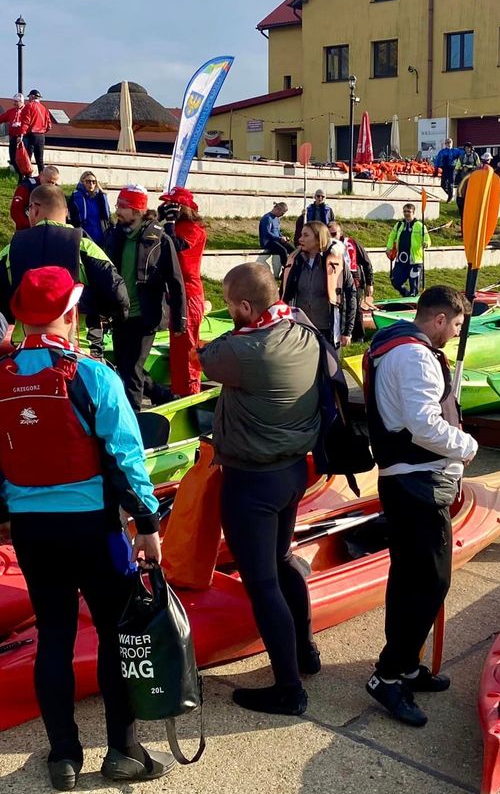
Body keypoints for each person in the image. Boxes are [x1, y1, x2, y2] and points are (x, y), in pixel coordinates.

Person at [0, 266, 172, 790]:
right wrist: (146, 522)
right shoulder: (93, 376)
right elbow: (127, 456)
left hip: (34, 533)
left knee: (53, 637)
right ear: (71, 314)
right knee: (116, 636)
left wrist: (3, 513)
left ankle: (63, 756)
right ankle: (124, 752)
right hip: (96, 529)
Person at [197, 262, 323, 716]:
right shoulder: (302, 331)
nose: (230, 312)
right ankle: (305, 651)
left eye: (232, 306)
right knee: (282, 559)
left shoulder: (245, 349)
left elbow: (205, 356)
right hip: (292, 474)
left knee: (263, 582)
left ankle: (288, 689)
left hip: (251, 482)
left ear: (245, 307)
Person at [362, 285, 477, 727]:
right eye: (457, 325)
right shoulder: (413, 355)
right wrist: (466, 445)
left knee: (411, 577)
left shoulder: (399, 346)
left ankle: (406, 662)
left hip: (410, 480)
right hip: (416, 484)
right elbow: (423, 423)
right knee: (429, 582)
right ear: (440, 319)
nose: (456, 334)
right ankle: (388, 676)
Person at [0, 185, 128, 354]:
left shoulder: (11, 250)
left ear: (34, 210)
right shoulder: (85, 246)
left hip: (28, 348)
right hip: (80, 346)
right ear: (67, 212)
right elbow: (118, 294)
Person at [104, 186, 187, 412]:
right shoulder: (115, 234)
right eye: (118, 205)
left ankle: (134, 419)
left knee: (132, 368)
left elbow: (176, 280)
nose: (117, 211)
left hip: (146, 316)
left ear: (138, 210)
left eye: (123, 207)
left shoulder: (159, 238)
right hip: (121, 314)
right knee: (126, 366)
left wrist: (180, 320)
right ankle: (162, 394)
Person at [161, 187, 208, 397]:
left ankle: (190, 392)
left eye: (174, 204)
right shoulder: (179, 226)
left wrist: (169, 225)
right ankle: (178, 390)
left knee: (187, 346)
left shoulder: (193, 228)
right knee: (178, 348)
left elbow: (176, 247)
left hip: (189, 294)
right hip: (177, 293)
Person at [281, 221, 356, 351]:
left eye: (305, 235)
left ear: (318, 238)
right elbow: (283, 293)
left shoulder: (336, 261)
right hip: (301, 329)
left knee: (329, 370)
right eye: (301, 235)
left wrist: (347, 331)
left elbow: (351, 295)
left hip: (328, 330)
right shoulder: (295, 261)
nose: (300, 239)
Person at [329, 219, 374, 342]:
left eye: (334, 234)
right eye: (329, 234)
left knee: (355, 307)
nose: (332, 237)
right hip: (335, 280)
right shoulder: (327, 246)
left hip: (355, 280)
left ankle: (358, 335)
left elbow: (366, 263)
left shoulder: (352, 243)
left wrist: (370, 283)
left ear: (340, 233)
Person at [386, 204, 431, 297]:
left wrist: (426, 243)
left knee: (414, 287)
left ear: (413, 212)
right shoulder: (399, 225)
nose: (406, 213)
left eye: (409, 211)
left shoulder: (420, 226)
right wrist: (389, 248)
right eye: (405, 211)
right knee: (395, 281)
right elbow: (391, 237)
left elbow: (427, 238)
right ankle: (406, 295)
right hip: (401, 260)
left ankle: (413, 299)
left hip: (415, 261)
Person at [11, 163, 62, 232]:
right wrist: (32, 227)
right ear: (41, 175)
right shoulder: (26, 187)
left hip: (49, 231)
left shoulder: (56, 191)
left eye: (53, 183)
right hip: (27, 230)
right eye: (48, 182)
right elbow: (16, 211)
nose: (50, 185)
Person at [67, 171, 112, 248]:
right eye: (88, 181)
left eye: (93, 182)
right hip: (84, 240)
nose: (91, 184)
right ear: (82, 182)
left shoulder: (100, 198)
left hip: (101, 241)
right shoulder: (75, 197)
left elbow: (108, 218)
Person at [0, 93, 28, 169]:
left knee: (23, 158)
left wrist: (21, 134)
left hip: (23, 138)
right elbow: (0, 118)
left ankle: (24, 176)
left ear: (21, 102)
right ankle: (18, 175)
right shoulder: (11, 111)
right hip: (13, 137)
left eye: (16, 102)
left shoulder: (27, 111)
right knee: (13, 158)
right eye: (14, 101)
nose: (14, 103)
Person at [22, 90, 53, 173]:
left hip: (31, 135)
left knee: (27, 158)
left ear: (32, 97)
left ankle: (27, 179)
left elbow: (26, 122)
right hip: (41, 136)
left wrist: (22, 134)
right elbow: (49, 126)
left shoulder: (29, 106)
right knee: (40, 160)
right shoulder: (44, 109)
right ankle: (43, 179)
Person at [259, 202, 293, 277]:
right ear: (277, 209)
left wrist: (283, 237)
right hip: (268, 242)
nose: (282, 215)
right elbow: (267, 233)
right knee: (283, 250)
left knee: (292, 249)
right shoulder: (267, 218)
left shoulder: (277, 219)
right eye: (282, 213)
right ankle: (286, 269)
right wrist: (279, 238)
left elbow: (277, 232)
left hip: (276, 240)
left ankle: (292, 267)